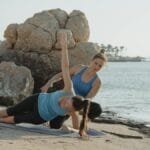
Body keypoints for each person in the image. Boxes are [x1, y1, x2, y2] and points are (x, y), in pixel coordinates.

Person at [0, 32, 101, 136]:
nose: (64, 104)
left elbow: (76, 127)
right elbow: (65, 68)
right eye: (67, 101)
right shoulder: (68, 89)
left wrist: (78, 131)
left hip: (38, 116)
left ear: (71, 110)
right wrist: (64, 47)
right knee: (10, 111)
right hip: (37, 99)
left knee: (11, 119)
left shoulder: (72, 111)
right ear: (71, 97)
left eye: (66, 107)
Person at [41, 47, 107, 129]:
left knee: (97, 109)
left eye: (100, 66)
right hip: (63, 99)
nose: (96, 66)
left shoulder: (97, 82)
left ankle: (81, 124)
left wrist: (75, 109)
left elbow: (87, 100)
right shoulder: (79, 68)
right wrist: (48, 83)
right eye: (95, 63)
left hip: (75, 105)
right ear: (91, 61)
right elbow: (61, 75)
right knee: (53, 125)